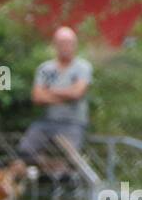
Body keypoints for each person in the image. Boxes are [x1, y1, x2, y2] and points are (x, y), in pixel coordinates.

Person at [17, 26, 92, 166]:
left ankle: (65, 175)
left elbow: (77, 93)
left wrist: (50, 91)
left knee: (72, 158)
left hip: (73, 122)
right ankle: (52, 166)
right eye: (62, 43)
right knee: (25, 151)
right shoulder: (45, 68)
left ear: (75, 45)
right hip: (47, 120)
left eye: (69, 43)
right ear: (55, 45)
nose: (65, 47)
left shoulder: (83, 67)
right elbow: (37, 97)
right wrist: (66, 94)